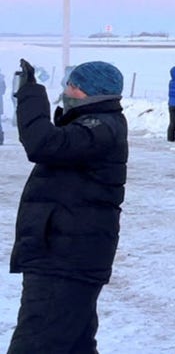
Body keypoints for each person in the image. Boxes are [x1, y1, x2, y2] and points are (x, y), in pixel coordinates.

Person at [9, 59, 128, 353]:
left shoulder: (102, 127)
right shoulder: (90, 124)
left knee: (36, 344)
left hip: (66, 262)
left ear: (93, 93)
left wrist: (31, 95)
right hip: (62, 256)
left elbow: (42, 143)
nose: (67, 91)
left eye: (73, 86)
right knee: (75, 345)